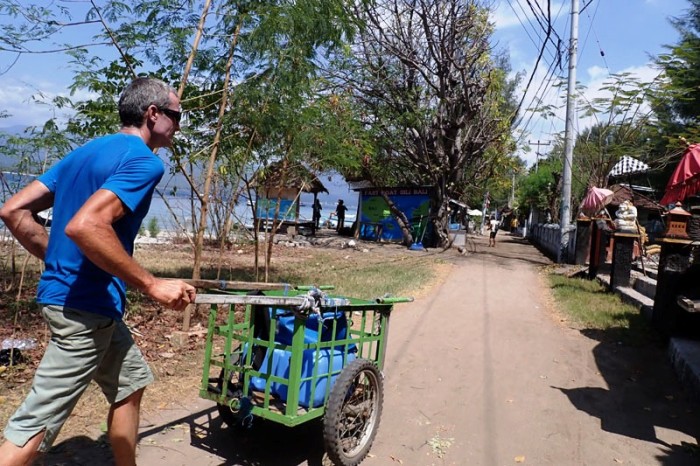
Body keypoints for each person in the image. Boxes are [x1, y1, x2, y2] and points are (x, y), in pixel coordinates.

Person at [0, 77, 197, 466]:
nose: (179, 125)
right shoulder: (144, 161)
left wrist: (59, 260)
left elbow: (12, 210)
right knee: (37, 421)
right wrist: (152, 284)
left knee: (131, 384)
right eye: (177, 115)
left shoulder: (88, 151)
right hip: (85, 309)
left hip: (85, 303)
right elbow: (86, 226)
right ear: (153, 114)